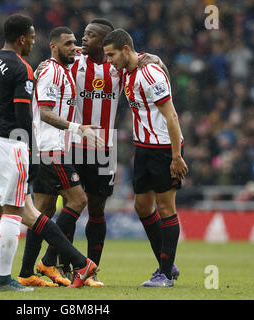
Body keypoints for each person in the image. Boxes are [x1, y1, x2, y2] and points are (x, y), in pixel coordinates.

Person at [0, 14, 97, 291]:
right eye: (33, 38)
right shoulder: (22, 67)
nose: (34, 42)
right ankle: (4, 279)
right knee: (13, 211)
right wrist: (31, 152)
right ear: (22, 38)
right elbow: (24, 117)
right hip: (9, 144)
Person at [20, 18, 168, 287]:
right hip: (71, 143)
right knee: (62, 205)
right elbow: (51, 67)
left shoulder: (118, 66)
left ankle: (90, 268)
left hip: (102, 146)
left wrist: (155, 59)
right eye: (83, 35)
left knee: (97, 209)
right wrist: (42, 65)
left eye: (90, 35)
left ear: (106, 42)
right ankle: (58, 265)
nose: (83, 39)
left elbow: (145, 61)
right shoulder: (73, 61)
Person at [18, 26, 104, 287]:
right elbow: (44, 113)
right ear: (53, 46)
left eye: (75, 43)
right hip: (50, 149)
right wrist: (79, 128)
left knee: (42, 211)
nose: (73, 48)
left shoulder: (62, 68)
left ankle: (25, 273)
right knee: (78, 200)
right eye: (67, 44)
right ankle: (49, 261)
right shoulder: (52, 73)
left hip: (47, 149)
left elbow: (85, 52)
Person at [103, 29, 188, 287]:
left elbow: (171, 116)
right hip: (143, 148)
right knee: (142, 206)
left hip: (164, 149)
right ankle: (167, 264)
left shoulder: (150, 73)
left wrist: (176, 156)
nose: (109, 61)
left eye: (112, 55)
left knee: (165, 208)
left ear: (126, 50)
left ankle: (164, 274)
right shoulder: (128, 72)